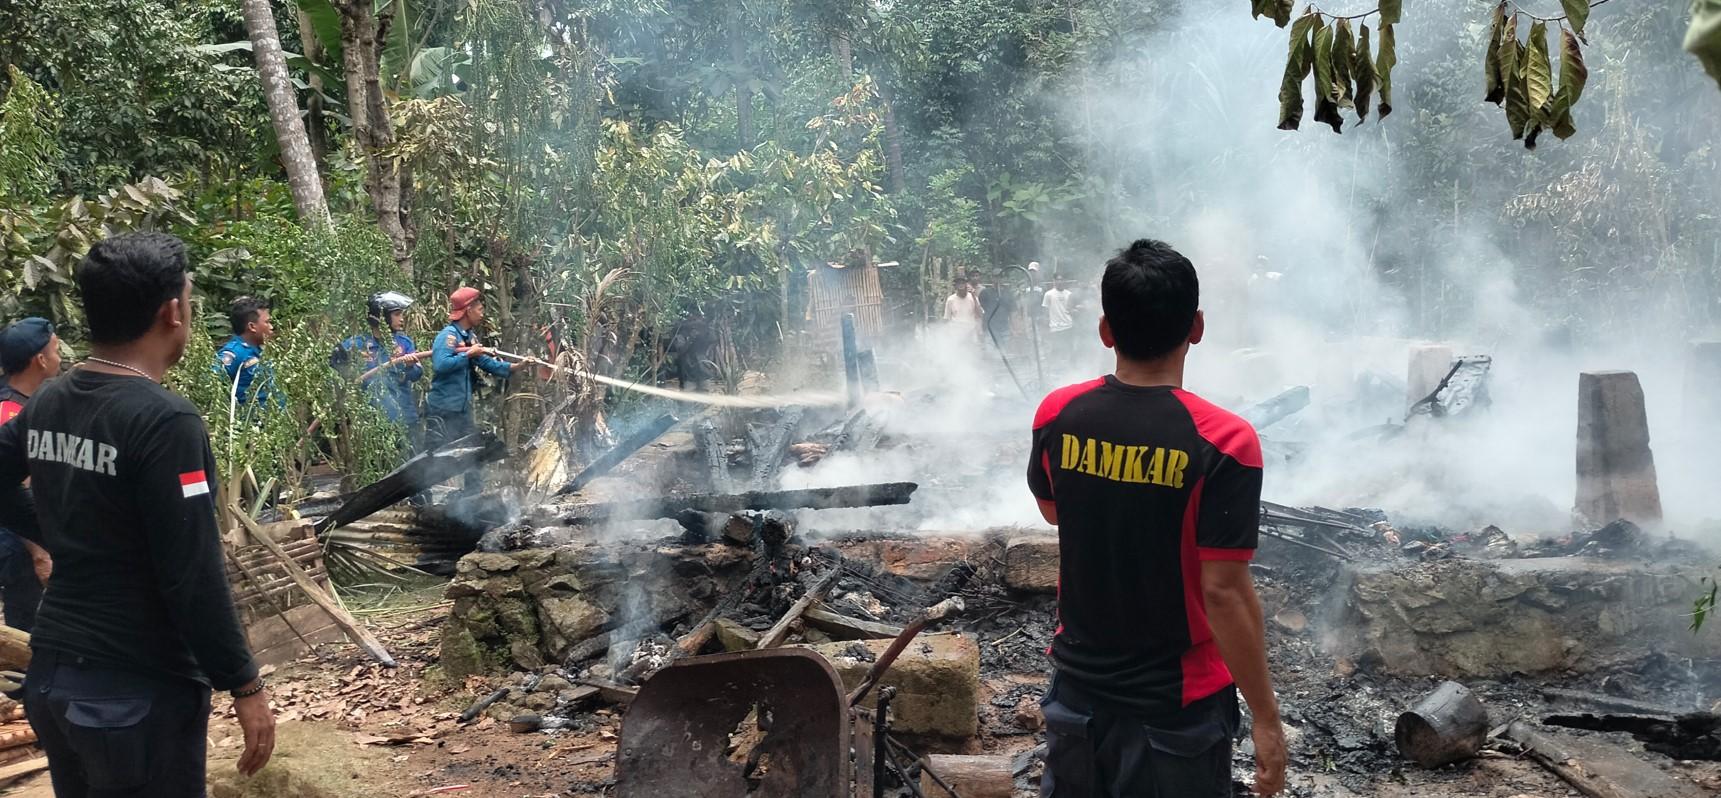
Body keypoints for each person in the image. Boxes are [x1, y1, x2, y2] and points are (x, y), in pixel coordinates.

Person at [0, 232, 275, 795]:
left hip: (55, 682)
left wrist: (57, 530)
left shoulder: (52, 397)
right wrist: (244, 685)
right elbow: (192, 571)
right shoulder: (165, 420)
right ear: (172, 311)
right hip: (134, 690)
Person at [1026, 239, 1286, 797]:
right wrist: (1265, 717)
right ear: (1196, 327)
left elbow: (1054, 512)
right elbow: (1224, 593)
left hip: (1076, 696)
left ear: (1105, 330)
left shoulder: (1058, 414)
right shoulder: (1224, 442)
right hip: (1177, 711)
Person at [0, 318, 58, 632]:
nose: (60, 357)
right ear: (40, 359)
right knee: (27, 623)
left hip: (23, 533)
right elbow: (13, 489)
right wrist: (38, 551)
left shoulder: (25, 402)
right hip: (17, 538)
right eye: (57, 349)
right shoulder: (10, 413)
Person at [426, 286, 512, 465]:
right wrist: (467, 355)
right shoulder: (448, 336)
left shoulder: (469, 337)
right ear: (468, 310)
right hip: (443, 409)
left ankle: (473, 492)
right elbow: (441, 364)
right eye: (480, 309)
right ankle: (421, 493)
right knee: (433, 457)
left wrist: (516, 366)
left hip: (461, 409)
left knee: (474, 451)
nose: (482, 314)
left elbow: (486, 362)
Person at [332, 291, 424, 445]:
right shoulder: (356, 344)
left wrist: (410, 366)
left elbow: (417, 374)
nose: (402, 318)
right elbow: (335, 367)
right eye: (397, 314)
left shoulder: (404, 343)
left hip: (406, 417)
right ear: (381, 317)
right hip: (374, 421)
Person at [216, 295, 281, 408]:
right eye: (267, 322)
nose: (271, 327)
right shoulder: (234, 353)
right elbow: (212, 382)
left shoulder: (262, 351)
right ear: (252, 326)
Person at [1042, 278, 1075, 363]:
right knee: (1056, 349)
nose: (1059, 282)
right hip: (1055, 327)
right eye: (1057, 280)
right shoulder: (1048, 294)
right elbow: (1045, 311)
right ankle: (1056, 368)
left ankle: (1069, 367)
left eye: (1061, 280)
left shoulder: (1069, 294)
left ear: (1064, 281)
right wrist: (1046, 326)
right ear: (1054, 281)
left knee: (1069, 349)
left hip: (1068, 325)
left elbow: (1071, 309)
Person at [942, 277, 983, 341]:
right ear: (955, 286)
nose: (961, 285)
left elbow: (980, 314)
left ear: (966, 285)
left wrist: (974, 297)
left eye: (963, 283)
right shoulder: (950, 299)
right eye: (958, 283)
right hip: (956, 333)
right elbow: (947, 318)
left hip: (971, 332)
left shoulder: (973, 297)